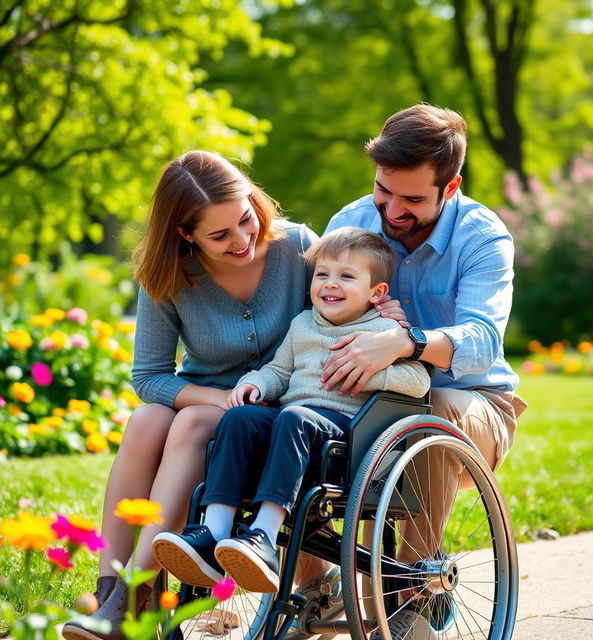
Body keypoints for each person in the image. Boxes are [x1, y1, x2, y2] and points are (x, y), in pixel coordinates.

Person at [62, 150, 320, 640]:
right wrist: (215, 398)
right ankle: (112, 594)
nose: (242, 241)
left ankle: (135, 604)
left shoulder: (299, 248)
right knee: (144, 422)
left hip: (283, 410)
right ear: (185, 234)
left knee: (189, 423)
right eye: (220, 236)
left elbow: (341, 306)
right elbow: (149, 377)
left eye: (246, 220)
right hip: (210, 404)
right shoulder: (168, 276)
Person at [298, 103, 526, 639]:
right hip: (369, 402)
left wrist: (405, 340)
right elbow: (311, 317)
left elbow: (484, 344)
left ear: (450, 188)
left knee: (434, 411)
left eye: (413, 199)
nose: (392, 209)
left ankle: (414, 595)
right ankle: (314, 589)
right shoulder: (348, 223)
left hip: (470, 405)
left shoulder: (483, 238)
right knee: (296, 414)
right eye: (384, 190)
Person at [151, 228, 430, 594]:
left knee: (293, 418)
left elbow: (419, 381)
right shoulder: (302, 324)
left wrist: (373, 373)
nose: (331, 284)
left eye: (346, 276)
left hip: (344, 434)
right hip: (291, 424)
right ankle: (213, 532)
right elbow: (279, 372)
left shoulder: (382, 331)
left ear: (376, 293)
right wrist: (256, 384)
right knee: (240, 417)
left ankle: (263, 537)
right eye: (322, 274)